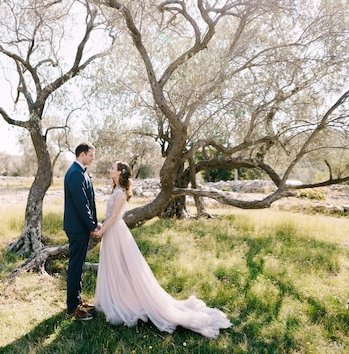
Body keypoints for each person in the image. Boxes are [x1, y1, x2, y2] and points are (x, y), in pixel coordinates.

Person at [92, 161, 232, 338]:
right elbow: (108, 217)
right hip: (111, 232)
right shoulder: (116, 190)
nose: (109, 169)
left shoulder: (120, 194)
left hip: (116, 232)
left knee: (123, 267)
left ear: (119, 172)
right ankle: (116, 299)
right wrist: (100, 226)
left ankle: (125, 302)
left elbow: (114, 218)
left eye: (112, 167)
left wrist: (102, 231)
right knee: (115, 266)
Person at [63, 142, 101, 320]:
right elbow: (81, 205)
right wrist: (92, 226)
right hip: (77, 228)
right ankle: (72, 308)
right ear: (82, 154)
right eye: (91, 155)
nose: (93, 158)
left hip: (80, 227)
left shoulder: (81, 173)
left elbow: (89, 202)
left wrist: (94, 222)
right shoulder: (75, 174)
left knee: (78, 266)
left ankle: (77, 300)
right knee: (75, 267)